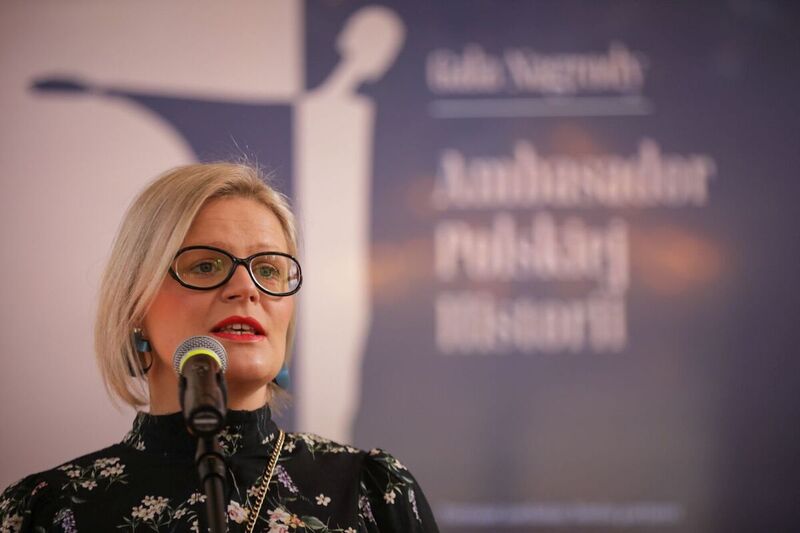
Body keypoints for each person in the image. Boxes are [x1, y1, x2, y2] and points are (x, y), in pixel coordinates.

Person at [0, 162, 439, 532]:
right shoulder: (48, 510)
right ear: (135, 305)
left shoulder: (371, 492)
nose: (246, 288)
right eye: (207, 265)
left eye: (268, 270)